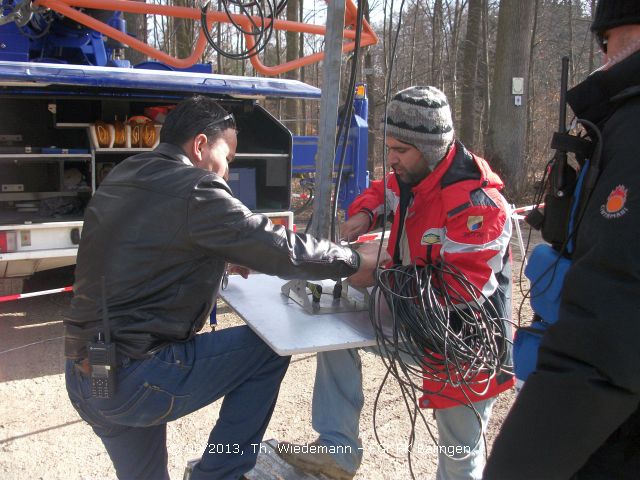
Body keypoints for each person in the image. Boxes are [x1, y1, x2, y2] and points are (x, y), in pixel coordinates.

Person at [63, 95, 385, 480]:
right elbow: (279, 247)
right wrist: (352, 261)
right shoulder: (196, 188)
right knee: (267, 351)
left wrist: (210, 256)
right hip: (140, 375)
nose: (228, 171)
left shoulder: (127, 173)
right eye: (228, 157)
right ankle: (219, 474)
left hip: (87, 376)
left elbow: (139, 250)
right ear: (200, 145)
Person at [278, 86, 514, 480]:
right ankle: (338, 450)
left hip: (466, 346)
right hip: (410, 313)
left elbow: (458, 292)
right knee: (331, 330)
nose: (391, 159)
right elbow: (382, 191)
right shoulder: (413, 175)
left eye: (400, 150)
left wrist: (375, 267)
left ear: (432, 147)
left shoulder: (479, 206)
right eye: (389, 148)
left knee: (459, 459)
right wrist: (365, 214)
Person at [484, 2, 640, 478]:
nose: (603, 58)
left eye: (606, 42)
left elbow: (610, 324)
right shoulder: (617, 120)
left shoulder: (633, 127)